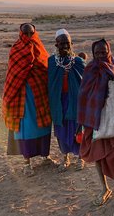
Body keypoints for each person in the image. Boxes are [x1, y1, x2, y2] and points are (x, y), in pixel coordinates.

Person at [77, 39, 114, 209]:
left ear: (109, 51)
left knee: (112, 156)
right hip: (93, 120)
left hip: (111, 119)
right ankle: (104, 188)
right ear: (93, 54)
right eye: (97, 53)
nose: (101, 55)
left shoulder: (112, 67)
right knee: (98, 156)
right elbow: (84, 95)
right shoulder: (90, 69)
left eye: (104, 52)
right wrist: (84, 120)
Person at [2, 23, 53, 176]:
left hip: (40, 94)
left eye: (31, 33)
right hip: (22, 95)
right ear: (21, 33)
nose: (28, 36)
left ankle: (45, 156)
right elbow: (14, 71)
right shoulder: (16, 49)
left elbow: (45, 66)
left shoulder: (39, 48)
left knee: (43, 125)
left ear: (34, 33)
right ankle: (27, 163)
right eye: (26, 33)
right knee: (25, 128)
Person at [48, 29, 85, 172]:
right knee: (61, 130)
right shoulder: (51, 62)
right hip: (58, 102)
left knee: (76, 128)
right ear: (56, 45)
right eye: (61, 43)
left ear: (71, 44)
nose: (64, 46)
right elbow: (50, 84)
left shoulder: (78, 62)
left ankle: (80, 158)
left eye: (67, 43)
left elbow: (86, 81)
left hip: (75, 101)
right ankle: (65, 159)